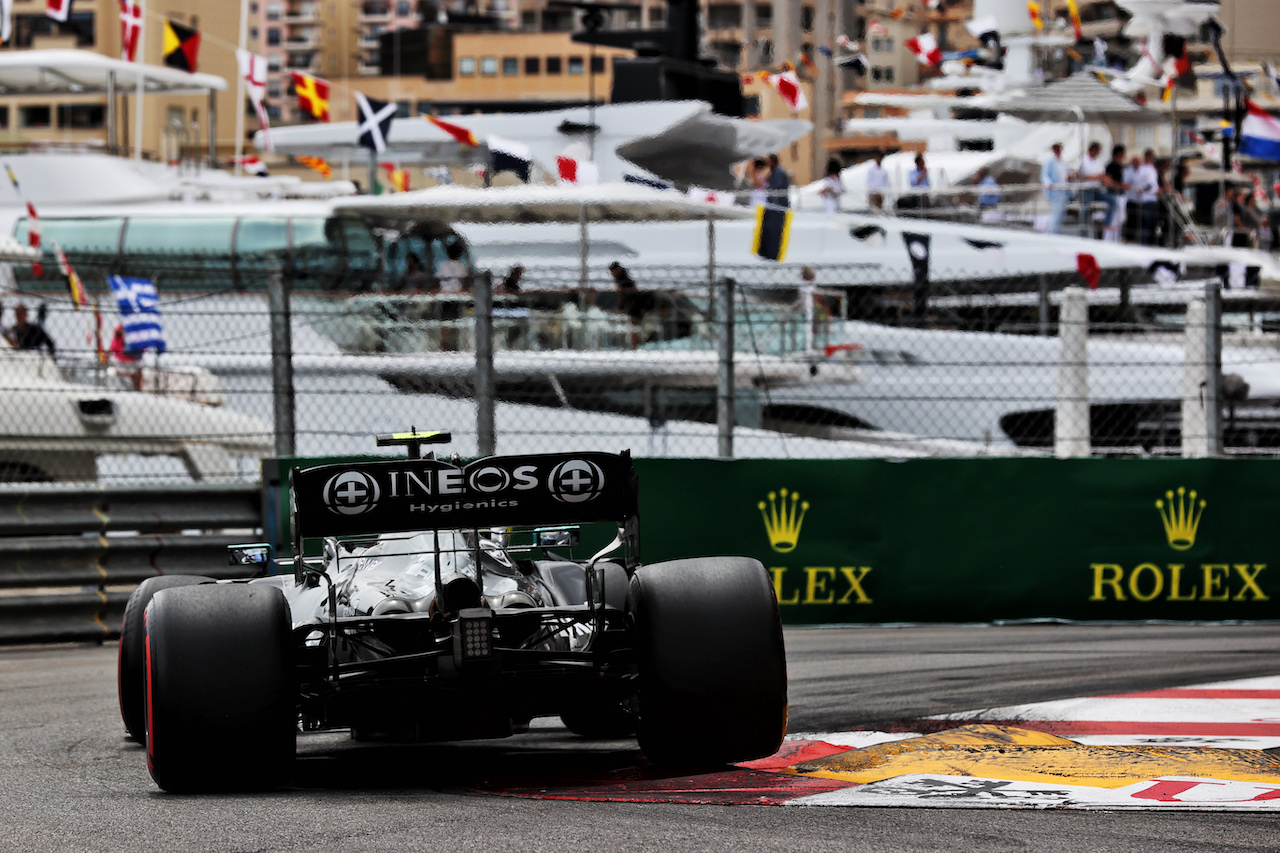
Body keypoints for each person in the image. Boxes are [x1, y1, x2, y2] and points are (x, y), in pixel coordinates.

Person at [610, 261, 653, 348]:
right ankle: (634, 345)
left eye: (614, 271)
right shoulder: (622, 280)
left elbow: (624, 296)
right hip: (633, 305)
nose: (613, 274)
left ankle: (634, 346)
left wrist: (621, 307)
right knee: (633, 327)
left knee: (634, 327)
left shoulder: (625, 281)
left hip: (634, 306)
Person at [1075, 142, 1106, 236]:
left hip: (1096, 189)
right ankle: (1084, 233)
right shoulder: (1082, 160)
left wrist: (1095, 177)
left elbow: (1101, 175)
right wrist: (1089, 177)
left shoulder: (1098, 161)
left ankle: (1104, 228)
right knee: (1085, 209)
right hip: (1085, 189)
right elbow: (1077, 174)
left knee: (1111, 200)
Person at [1040, 142, 1070, 234]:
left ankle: (1057, 233)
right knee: (1056, 214)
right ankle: (1052, 233)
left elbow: (1066, 175)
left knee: (1061, 215)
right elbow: (1044, 175)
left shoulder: (1063, 163)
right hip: (1055, 191)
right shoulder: (1050, 162)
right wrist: (1048, 183)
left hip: (1064, 191)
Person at [1100, 144, 1128, 241]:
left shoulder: (1121, 166)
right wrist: (1119, 186)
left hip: (1121, 195)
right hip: (1114, 194)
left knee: (1120, 219)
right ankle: (1108, 239)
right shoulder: (1111, 166)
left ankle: (1116, 239)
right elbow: (1107, 180)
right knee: (1113, 219)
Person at [1133, 149, 1161, 246]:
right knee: (1146, 224)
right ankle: (1144, 244)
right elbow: (1147, 185)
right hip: (1147, 199)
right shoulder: (1143, 169)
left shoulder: (1151, 169)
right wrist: (1154, 190)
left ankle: (1149, 244)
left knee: (1152, 225)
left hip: (1152, 199)